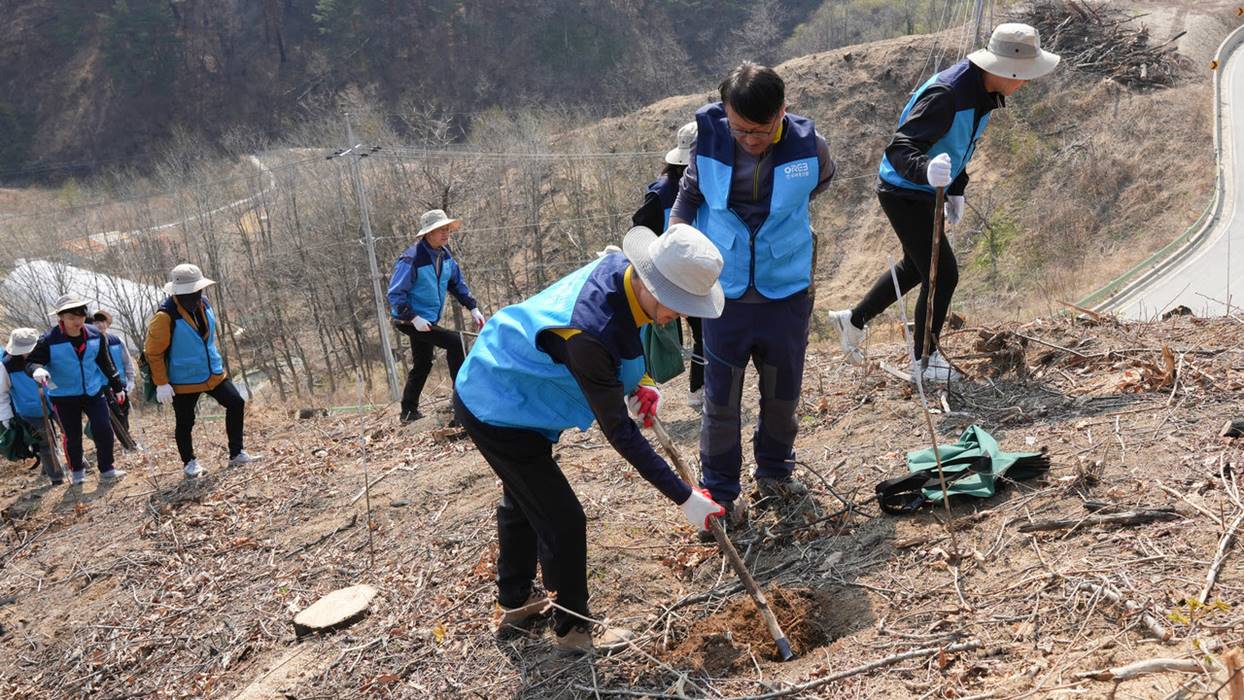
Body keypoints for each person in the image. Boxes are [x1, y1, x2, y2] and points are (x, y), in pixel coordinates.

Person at [453, 224, 728, 654]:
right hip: (495, 400)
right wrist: (684, 497)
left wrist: (644, 382)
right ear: (652, 283)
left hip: (516, 391)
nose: (682, 315)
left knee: (524, 500)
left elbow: (627, 346)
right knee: (563, 518)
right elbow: (619, 431)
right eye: (678, 305)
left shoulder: (624, 277)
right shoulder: (589, 332)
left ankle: (516, 600)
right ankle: (574, 630)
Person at [830, 23, 1060, 381]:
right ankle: (925, 360)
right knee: (943, 274)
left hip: (926, 190)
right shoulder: (949, 94)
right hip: (904, 191)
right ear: (1002, 68)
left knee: (916, 266)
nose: (1026, 82)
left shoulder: (984, 91)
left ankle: (854, 319)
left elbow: (959, 146)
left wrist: (956, 187)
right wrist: (927, 174)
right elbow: (900, 148)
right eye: (1023, 75)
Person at [668, 62, 836, 524]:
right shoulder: (710, 140)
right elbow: (688, 197)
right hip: (723, 294)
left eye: (761, 130)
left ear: (783, 111)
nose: (751, 139)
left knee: (782, 395)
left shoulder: (810, 147)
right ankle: (720, 489)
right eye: (740, 129)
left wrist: (773, 227)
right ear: (725, 113)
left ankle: (775, 472)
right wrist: (677, 241)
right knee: (720, 401)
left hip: (786, 294)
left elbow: (820, 182)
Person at [144, 264, 254, 479]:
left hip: (212, 372)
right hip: (183, 378)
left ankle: (236, 453)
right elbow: (153, 353)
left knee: (236, 402)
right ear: (177, 293)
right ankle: (189, 462)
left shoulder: (205, 304)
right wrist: (161, 383)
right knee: (185, 422)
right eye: (188, 293)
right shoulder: (164, 317)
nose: (194, 296)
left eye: (196, 291)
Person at [632, 121, 707, 409]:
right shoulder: (662, 193)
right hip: (665, 277)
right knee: (648, 334)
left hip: (692, 274)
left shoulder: (704, 188)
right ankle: (640, 394)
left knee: (703, 332)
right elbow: (639, 230)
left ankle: (698, 390)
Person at [387, 208, 485, 424]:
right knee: (455, 342)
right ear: (427, 233)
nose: (445, 233)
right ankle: (462, 406)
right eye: (440, 230)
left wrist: (473, 307)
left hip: (428, 319)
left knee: (423, 363)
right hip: (409, 319)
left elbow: (456, 283)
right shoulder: (412, 258)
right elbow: (395, 294)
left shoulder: (445, 255)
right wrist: (413, 318)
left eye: (447, 229)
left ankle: (408, 411)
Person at [24, 294, 127, 486]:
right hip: (64, 395)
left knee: (103, 429)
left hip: (93, 391)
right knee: (72, 436)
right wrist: (37, 370)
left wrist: (118, 386)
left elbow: (105, 362)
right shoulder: (49, 340)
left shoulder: (95, 335)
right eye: (71, 318)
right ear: (60, 318)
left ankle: (107, 469)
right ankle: (77, 470)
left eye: (80, 316)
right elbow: (31, 362)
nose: (77, 321)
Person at [0, 328, 61, 484]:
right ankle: (56, 477)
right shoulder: (6, 365)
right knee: (46, 444)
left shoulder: (43, 354)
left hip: (55, 401)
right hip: (31, 411)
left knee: (68, 432)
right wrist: (7, 417)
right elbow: (3, 394)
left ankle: (78, 463)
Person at [91, 309, 136, 438]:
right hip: (103, 385)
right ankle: (126, 442)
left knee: (124, 411)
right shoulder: (91, 343)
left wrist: (131, 380)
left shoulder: (116, 340)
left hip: (121, 382)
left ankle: (125, 435)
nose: (99, 324)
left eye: (102, 321)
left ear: (107, 323)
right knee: (115, 414)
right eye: (95, 322)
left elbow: (127, 361)